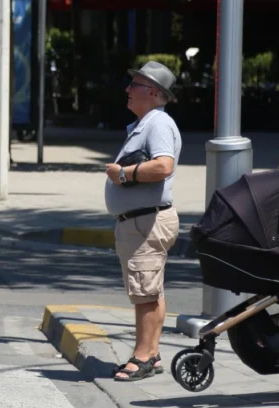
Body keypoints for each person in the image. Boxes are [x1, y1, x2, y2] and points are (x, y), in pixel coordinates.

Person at [105, 61, 181, 382]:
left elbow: (163, 166)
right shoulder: (147, 123)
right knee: (150, 289)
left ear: (151, 91)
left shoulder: (158, 124)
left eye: (133, 84)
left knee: (145, 292)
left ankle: (143, 356)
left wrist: (123, 174)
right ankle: (152, 352)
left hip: (146, 222)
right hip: (141, 221)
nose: (127, 89)